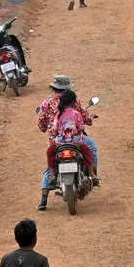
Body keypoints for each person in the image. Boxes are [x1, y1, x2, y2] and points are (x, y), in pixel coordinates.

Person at [37, 75, 97, 211]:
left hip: (57, 141)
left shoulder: (45, 104)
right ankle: (92, 173)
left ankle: (44, 198)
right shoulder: (75, 104)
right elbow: (84, 121)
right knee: (91, 147)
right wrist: (90, 118)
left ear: (54, 88)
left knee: (51, 162)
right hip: (75, 140)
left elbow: (42, 127)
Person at [46, 89, 96, 177]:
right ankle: (91, 173)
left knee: (50, 152)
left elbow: (55, 130)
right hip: (75, 141)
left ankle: (52, 175)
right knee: (87, 151)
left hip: (60, 142)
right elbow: (81, 127)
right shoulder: (76, 113)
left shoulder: (58, 114)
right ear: (73, 102)